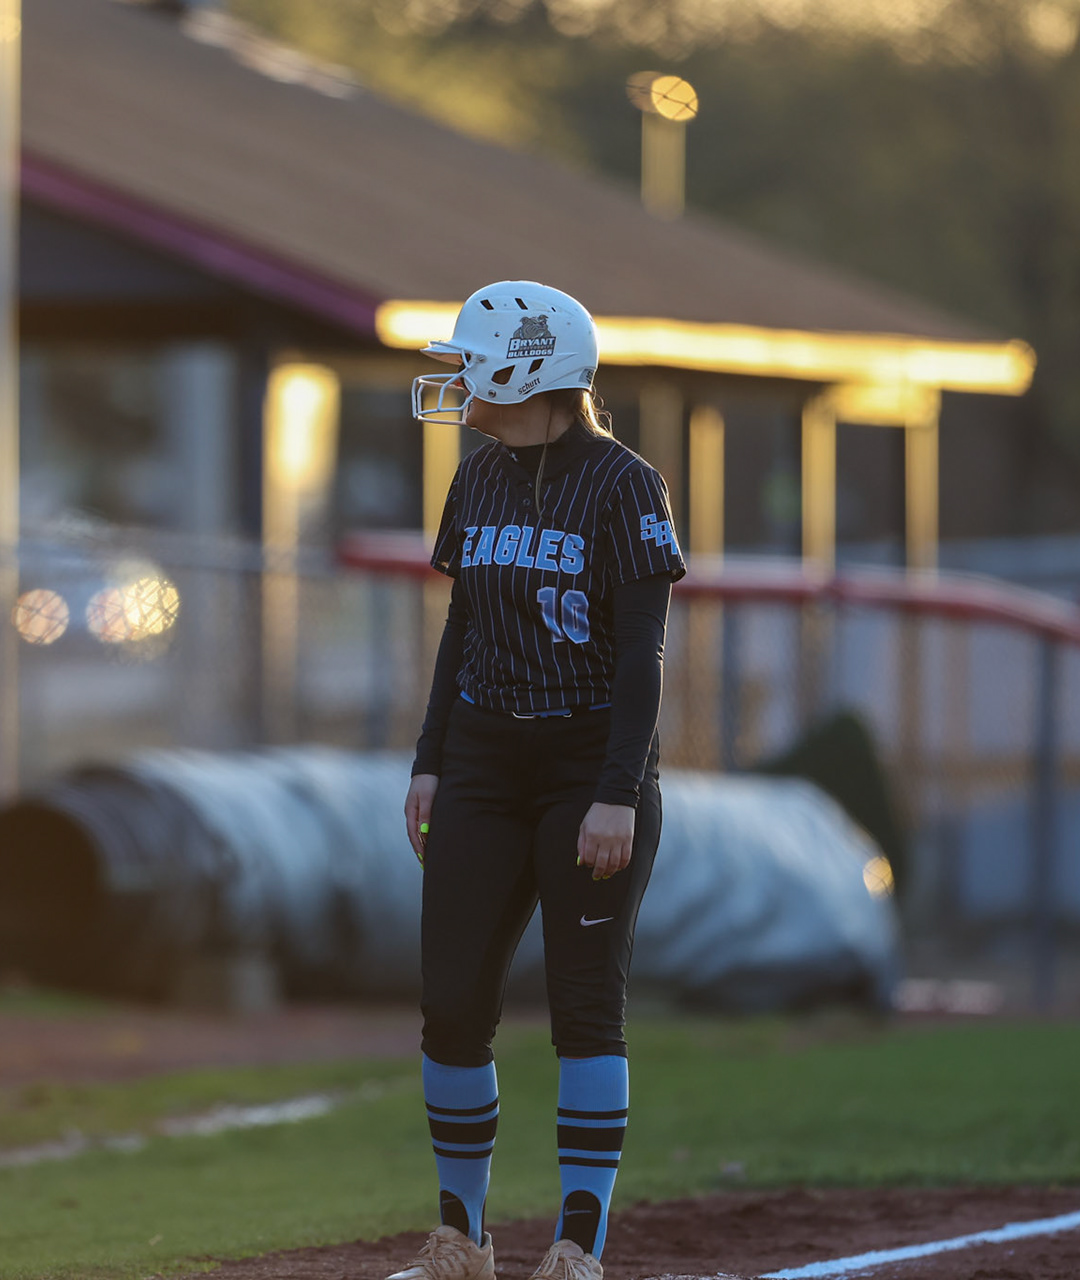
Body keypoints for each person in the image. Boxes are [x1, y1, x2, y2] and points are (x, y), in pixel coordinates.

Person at [386, 283, 684, 1280]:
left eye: (475, 359)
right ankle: (461, 1236)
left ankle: (577, 1241)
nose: (461, 376)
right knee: (452, 998)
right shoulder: (476, 479)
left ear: (527, 367)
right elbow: (462, 626)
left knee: (583, 1002)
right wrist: (431, 757)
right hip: (481, 755)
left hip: (586, 760)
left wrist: (615, 788)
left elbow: (642, 655)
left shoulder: (626, 483)